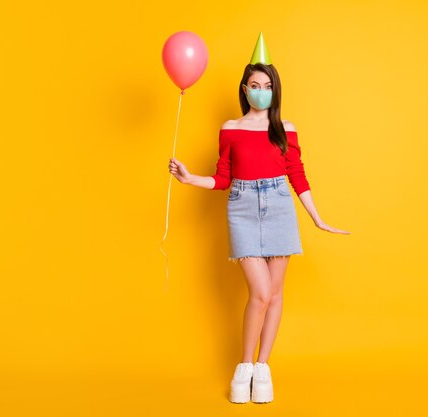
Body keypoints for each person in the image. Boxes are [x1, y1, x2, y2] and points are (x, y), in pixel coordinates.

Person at [168, 32, 350, 404]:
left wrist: (316, 217)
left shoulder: (286, 129)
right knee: (261, 293)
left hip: (280, 204)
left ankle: (263, 369)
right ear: (245, 88)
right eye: (255, 85)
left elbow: (297, 174)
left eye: (268, 85)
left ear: (275, 90)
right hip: (243, 207)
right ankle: (244, 366)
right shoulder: (230, 128)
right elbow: (222, 178)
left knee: (276, 294)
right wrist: (189, 179)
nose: (261, 91)